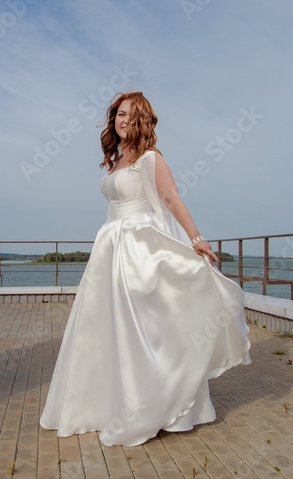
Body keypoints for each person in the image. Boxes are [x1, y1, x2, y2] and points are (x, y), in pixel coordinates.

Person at [40, 91, 251, 447]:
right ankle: (110, 403)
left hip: (137, 248)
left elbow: (171, 199)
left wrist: (195, 237)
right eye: (118, 114)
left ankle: (161, 402)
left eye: (129, 115)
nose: (122, 121)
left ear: (142, 121)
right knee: (105, 327)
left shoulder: (151, 158)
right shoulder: (118, 159)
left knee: (147, 329)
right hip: (109, 246)